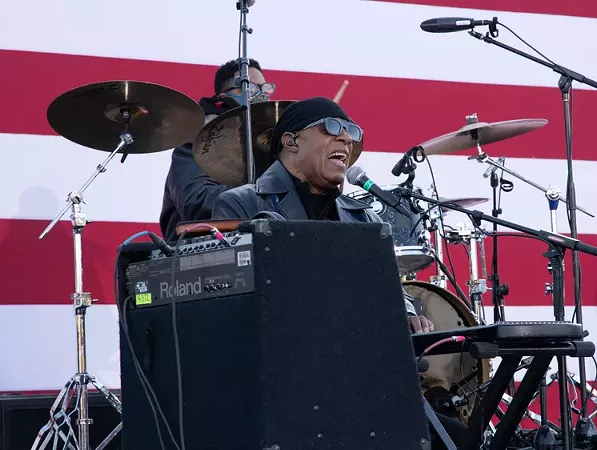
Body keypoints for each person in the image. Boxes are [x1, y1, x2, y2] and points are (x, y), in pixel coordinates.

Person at [209, 97, 467, 449]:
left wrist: (407, 313)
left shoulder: (363, 216)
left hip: (359, 382)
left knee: (462, 440)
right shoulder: (241, 203)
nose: (347, 140)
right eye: (332, 128)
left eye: (352, 134)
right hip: (282, 387)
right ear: (291, 140)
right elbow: (234, 302)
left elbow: (388, 286)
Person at [159, 57, 275, 241]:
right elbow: (196, 201)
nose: (261, 96)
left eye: (264, 88)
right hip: (200, 250)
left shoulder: (268, 144)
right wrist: (266, 198)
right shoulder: (198, 138)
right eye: (250, 88)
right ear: (224, 97)